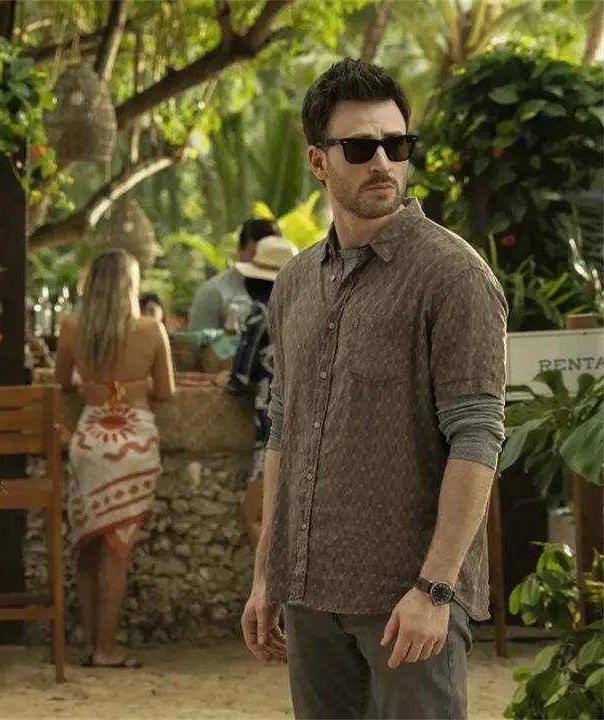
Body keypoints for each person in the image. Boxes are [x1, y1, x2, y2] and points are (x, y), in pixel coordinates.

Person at [241, 58, 507, 719]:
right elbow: (284, 430)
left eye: (397, 144)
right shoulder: (294, 283)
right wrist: (267, 574)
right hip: (310, 595)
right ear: (319, 161)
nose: (383, 162)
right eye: (360, 148)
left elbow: (478, 436)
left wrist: (436, 589)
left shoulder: (454, 277)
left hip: (409, 601)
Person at [55, 249, 175, 669]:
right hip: (134, 443)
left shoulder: (71, 326)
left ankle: (92, 645)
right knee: (117, 548)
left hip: (89, 440)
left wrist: (93, 383)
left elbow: (61, 383)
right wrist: (133, 385)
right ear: (131, 285)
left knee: (88, 545)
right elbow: (166, 392)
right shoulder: (151, 328)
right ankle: (107, 649)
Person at [224, 235, 298, 548]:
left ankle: (273, 578)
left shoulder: (260, 314)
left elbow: (239, 380)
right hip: (310, 432)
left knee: (254, 517)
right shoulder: (310, 311)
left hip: (272, 433)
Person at [187, 219, 282, 331]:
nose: (262, 263)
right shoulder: (213, 292)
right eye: (254, 255)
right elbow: (197, 339)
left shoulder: (289, 291)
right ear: (240, 249)